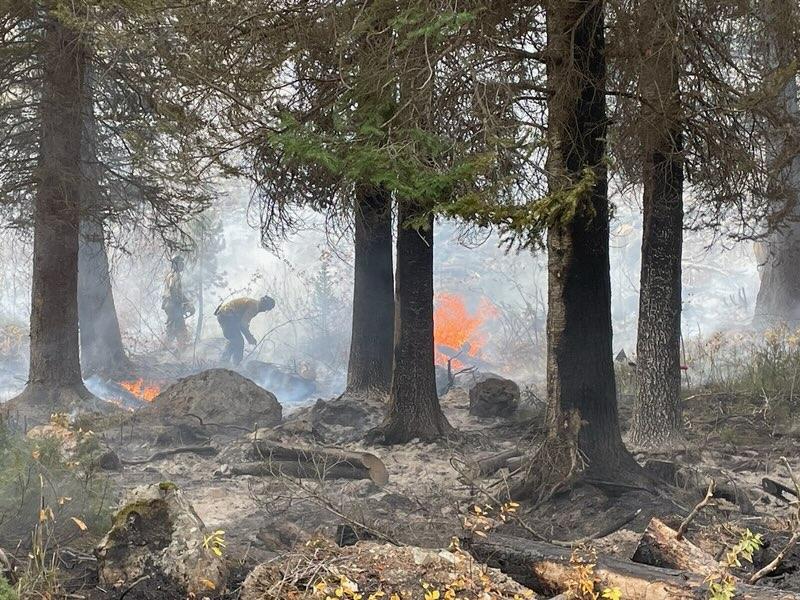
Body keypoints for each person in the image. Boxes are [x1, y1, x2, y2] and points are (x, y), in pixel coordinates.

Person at [215, 294, 276, 365]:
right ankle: (235, 364)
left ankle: (224, 362)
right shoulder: (254, 307)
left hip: (225, 315)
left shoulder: (253, 304)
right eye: (267, 308)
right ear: (264, 305)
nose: (265, 310)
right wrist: (250, 337)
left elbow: (241, 323)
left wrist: (249, 336)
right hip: (226, 316)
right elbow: (243, 325)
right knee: (239, 341)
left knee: (234, 340)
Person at [162, 255, 194, 348]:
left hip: (171, 305)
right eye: (180, 263)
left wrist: (187, 302)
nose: (182, 265)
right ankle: (168, 350)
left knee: (176, 328)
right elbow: (172, 290)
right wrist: (180, 304)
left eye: (182, 263)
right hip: (172, 306)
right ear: (175, 265)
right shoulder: (174, 276)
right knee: (176, 329)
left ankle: (178, 349)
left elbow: (180, 294)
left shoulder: (174, 275)